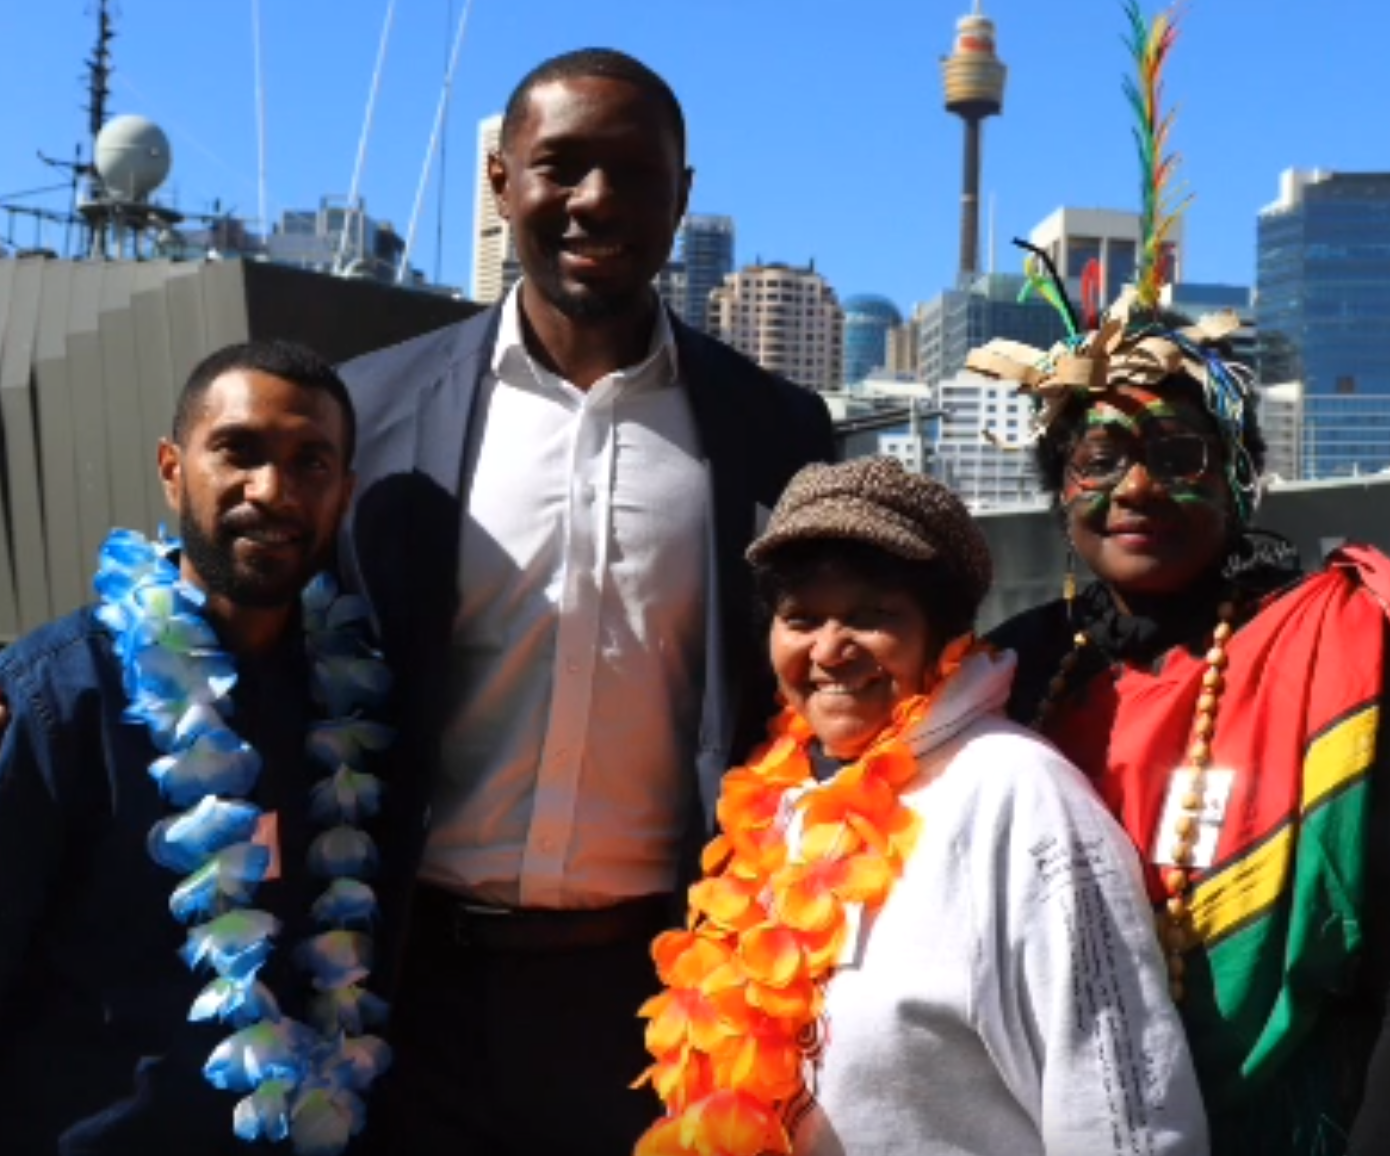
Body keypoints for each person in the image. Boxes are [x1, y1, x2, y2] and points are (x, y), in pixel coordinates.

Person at [336, 48, 835, 1155]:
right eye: (561, 166)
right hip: (408, 990)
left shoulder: (775, 431)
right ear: (502, 181)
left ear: (682, 197)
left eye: (633, 172)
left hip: (661, 1002)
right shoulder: (369, 412)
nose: (595, 200)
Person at [635, 456, 1209, 1156]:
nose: (830, 650)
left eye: (873, 616)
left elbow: (1123, 1114)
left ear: (944, 636)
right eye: (802, 618)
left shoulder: (1016, 794)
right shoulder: (773, 800)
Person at [979, 302, 1390, 1155]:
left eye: (1178, 455)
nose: (1136, 488)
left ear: (1238, 475)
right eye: (1100, 459)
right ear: (1061, 489)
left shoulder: (1343, 642)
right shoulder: (1006, 677)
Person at [0, 340, 393, 1155]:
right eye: (238, 452)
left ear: (344, 493)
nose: (272, 491)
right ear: (173, 469)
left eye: (310, 462)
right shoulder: (59, 696)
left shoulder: (355, 707)